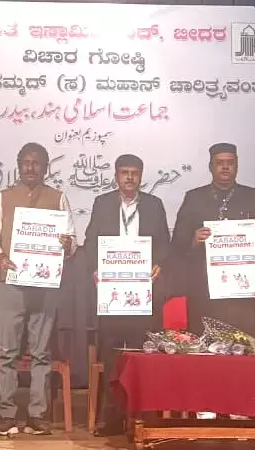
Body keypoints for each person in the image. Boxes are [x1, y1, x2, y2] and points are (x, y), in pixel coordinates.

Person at [0, 142, 76, 436]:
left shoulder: (58, 198)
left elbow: (72, 242)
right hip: (11, 282)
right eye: (25, 162)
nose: (30, 168)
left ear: (46, 167)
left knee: (41, 353)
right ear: (18, 166)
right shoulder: (3, 197)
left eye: (36, 163)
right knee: (8, 352)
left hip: (45, 286)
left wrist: (67, 244)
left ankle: (38, 415)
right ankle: (7, 415)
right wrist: (0, 257)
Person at [84, 154, 170, 436]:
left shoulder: (154, 205)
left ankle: (141, 417)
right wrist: (96, 269)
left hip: (143, 294)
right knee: (111, 358)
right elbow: (91, 242)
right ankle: (111, 418)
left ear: (141, 176)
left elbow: (164, 245)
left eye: (134, 173)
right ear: (116, 176)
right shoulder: (103, 203)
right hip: (112, 294)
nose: (129, 177)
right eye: (124, 172)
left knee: (143, 356)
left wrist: (159, 265)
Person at [169, 142, 255, 335]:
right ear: (210, 166)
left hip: (245, 293)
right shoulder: (194, 197)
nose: (225, 167)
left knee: (245, 346)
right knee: (206, 348)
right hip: (204, 292)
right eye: (219, 163)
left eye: (230, 163)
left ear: (237, 166)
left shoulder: (253, 196)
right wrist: (194, 240)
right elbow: (176, 245)